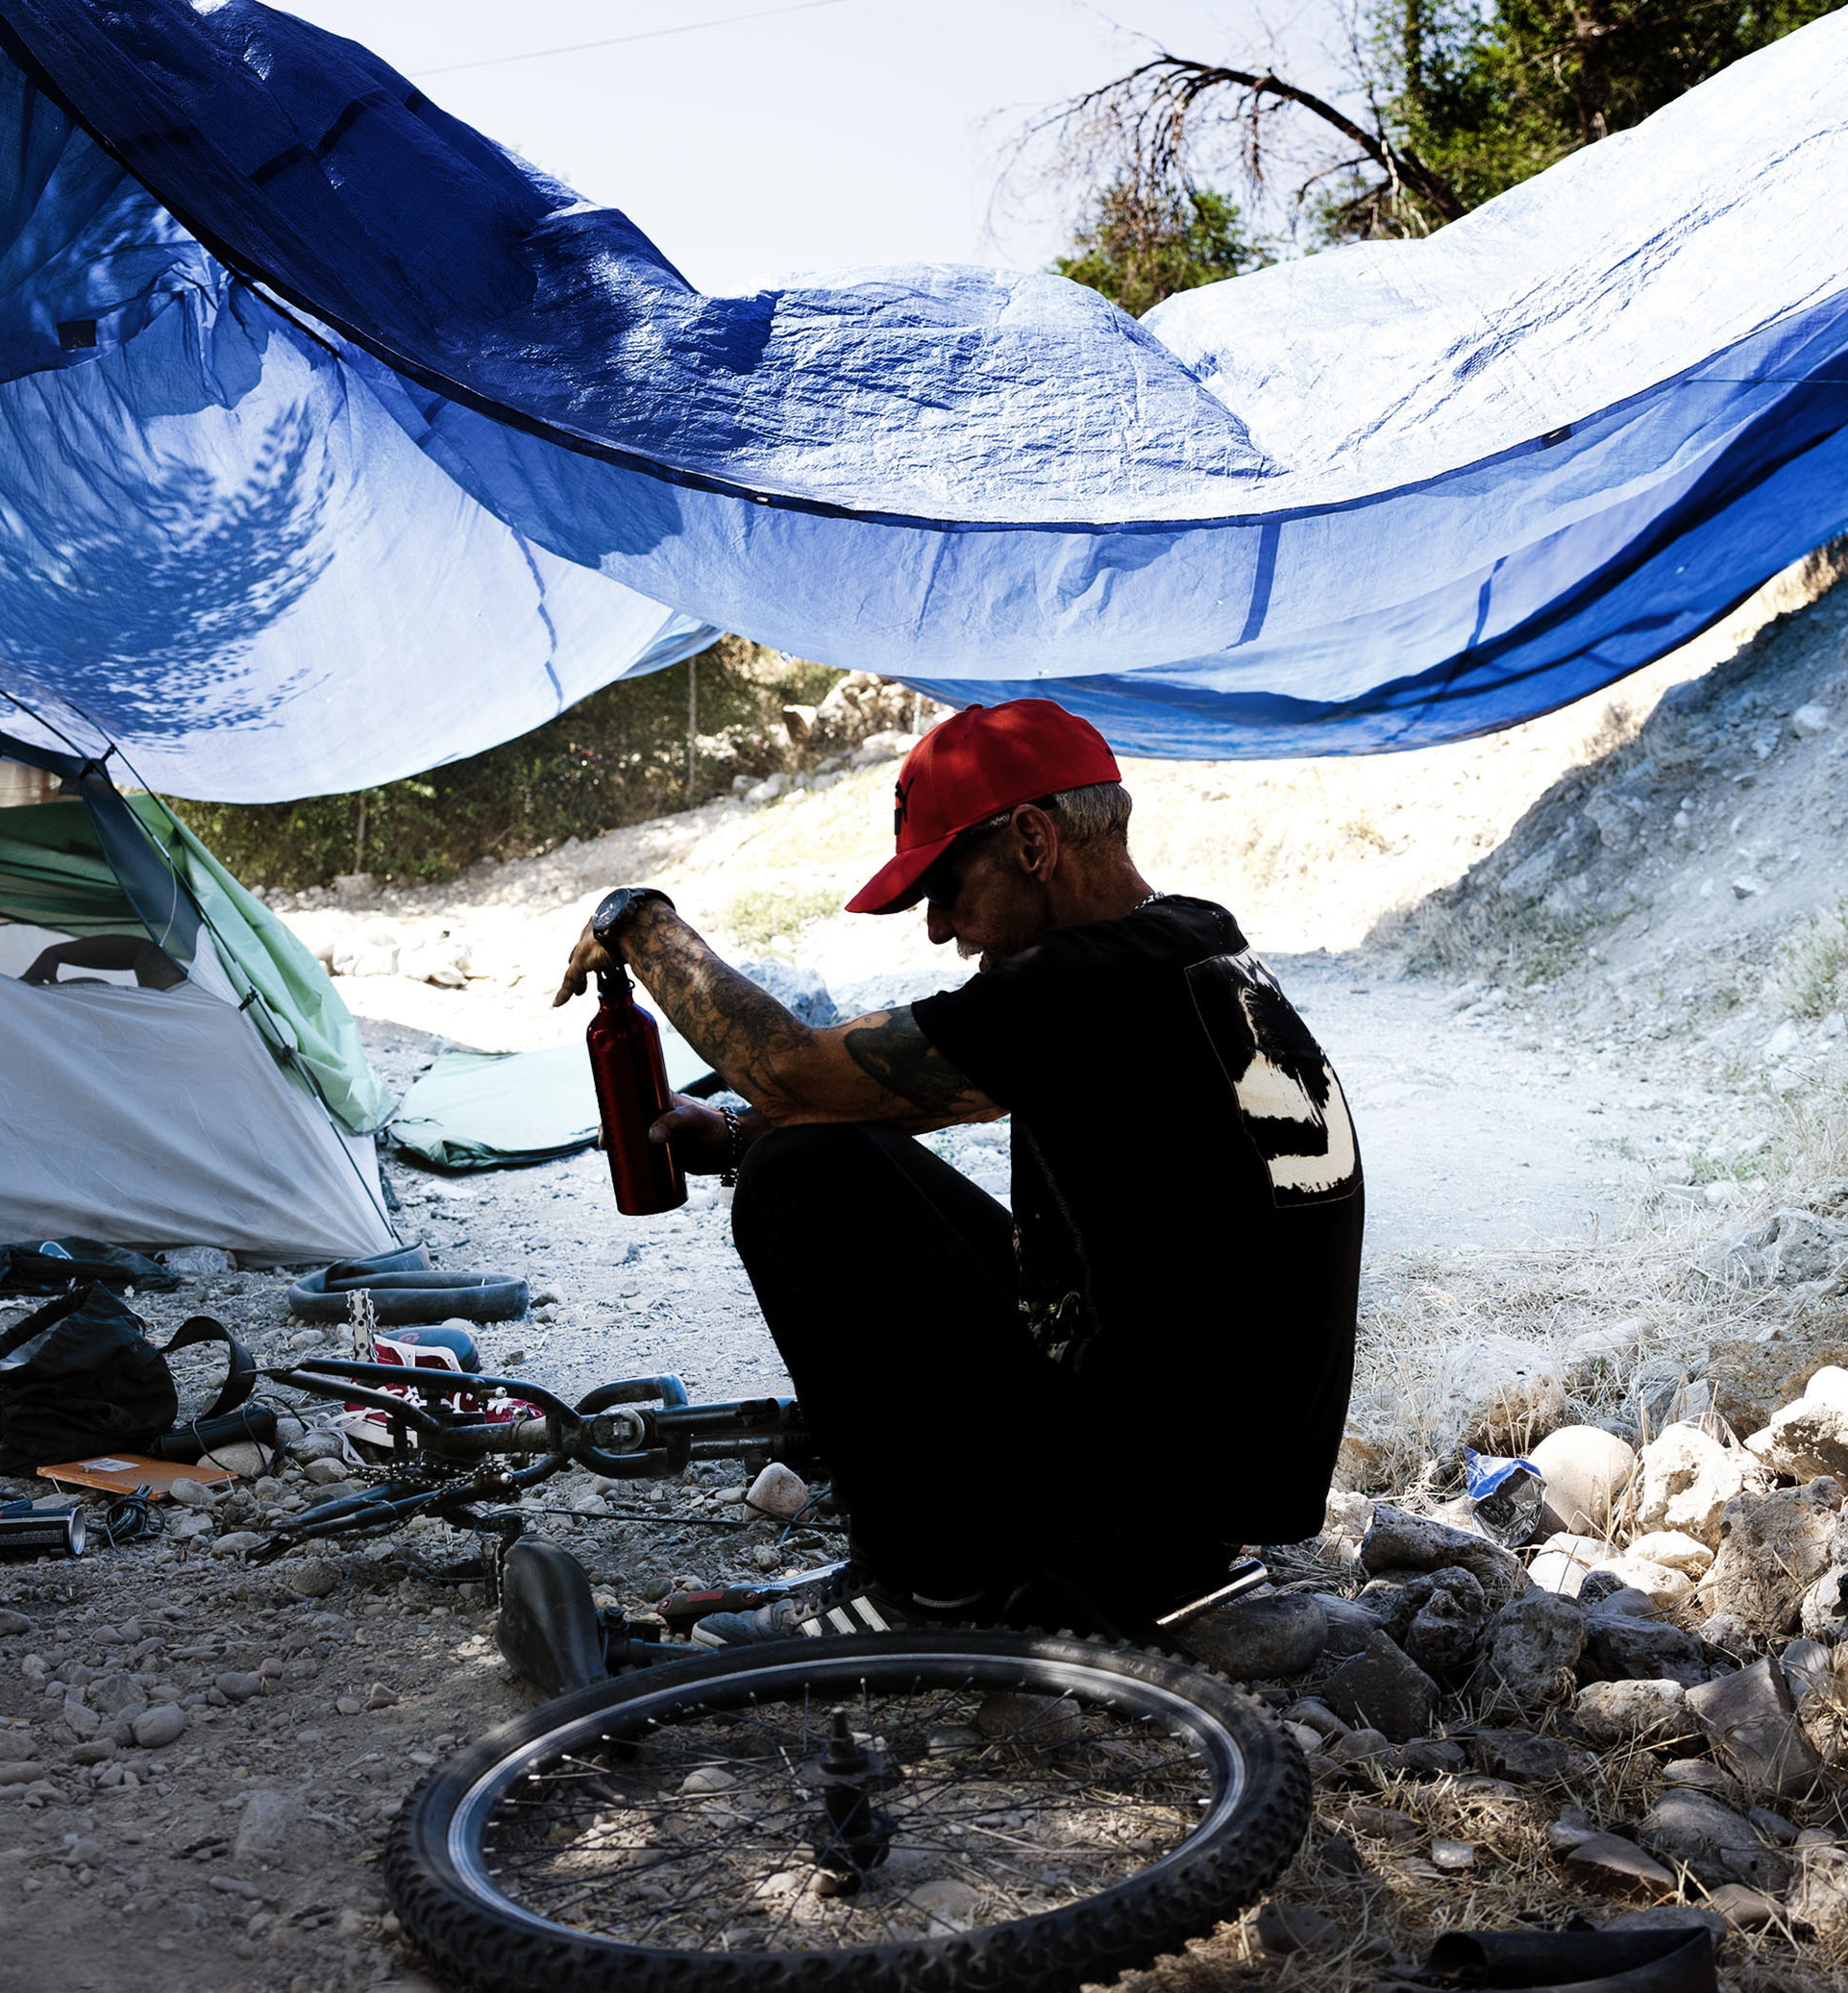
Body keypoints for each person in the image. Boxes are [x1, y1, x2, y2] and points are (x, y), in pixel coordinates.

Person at [555, 697, 1361, 1638]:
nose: (940, 929)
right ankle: (971, 1543)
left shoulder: (1083, 983)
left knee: (794, 1183)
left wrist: (638, 920)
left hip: (1146, 1510)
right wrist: (738, 1135)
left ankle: (929, 1582)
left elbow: (789, 1065)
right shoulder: (1185, 943)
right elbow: (879, 1103)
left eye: (948, 887)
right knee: (803, 1146)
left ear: (1031, 840)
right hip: (1208, 1484)